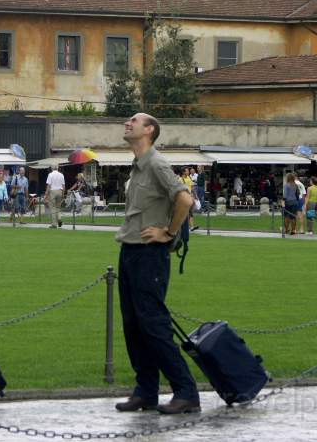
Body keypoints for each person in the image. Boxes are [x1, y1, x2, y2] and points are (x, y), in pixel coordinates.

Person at [114, 112, 200, 416]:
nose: (128, 123)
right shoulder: (139, 165)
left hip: (150, 255)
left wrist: (169, 232)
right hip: (130, 250)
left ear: (149, 130)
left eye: (134, 121)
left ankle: (186, 392)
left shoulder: (156, 163)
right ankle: (146, 391)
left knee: (153, 325)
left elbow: (185, 200)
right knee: (133, 326)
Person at [44, 164, 66, 229]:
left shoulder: (50, 175)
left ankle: (54, 224)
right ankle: (59, 219)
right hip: (60, 191)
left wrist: (46, 194)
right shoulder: (61, 175)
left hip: (53, 192)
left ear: (51, 168)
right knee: (58, 207)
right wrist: (63, 194)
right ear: (58, 168)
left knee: (53, 208)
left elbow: (49, 185)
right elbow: (63, 186)